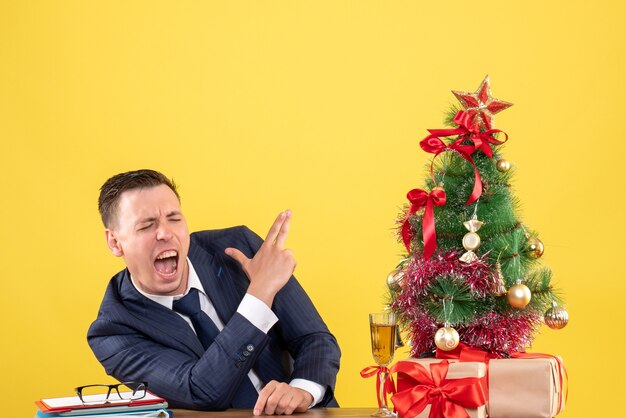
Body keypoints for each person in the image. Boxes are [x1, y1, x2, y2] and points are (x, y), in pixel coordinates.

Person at [87, 169, 341, 414]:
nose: (165, 233)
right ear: (115, 242)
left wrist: (302, 391)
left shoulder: (239, 248)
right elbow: (201, 391)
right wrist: (259, 294)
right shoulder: (113, 331)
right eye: (146, 226)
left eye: (174, 218)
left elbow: (315, 338)